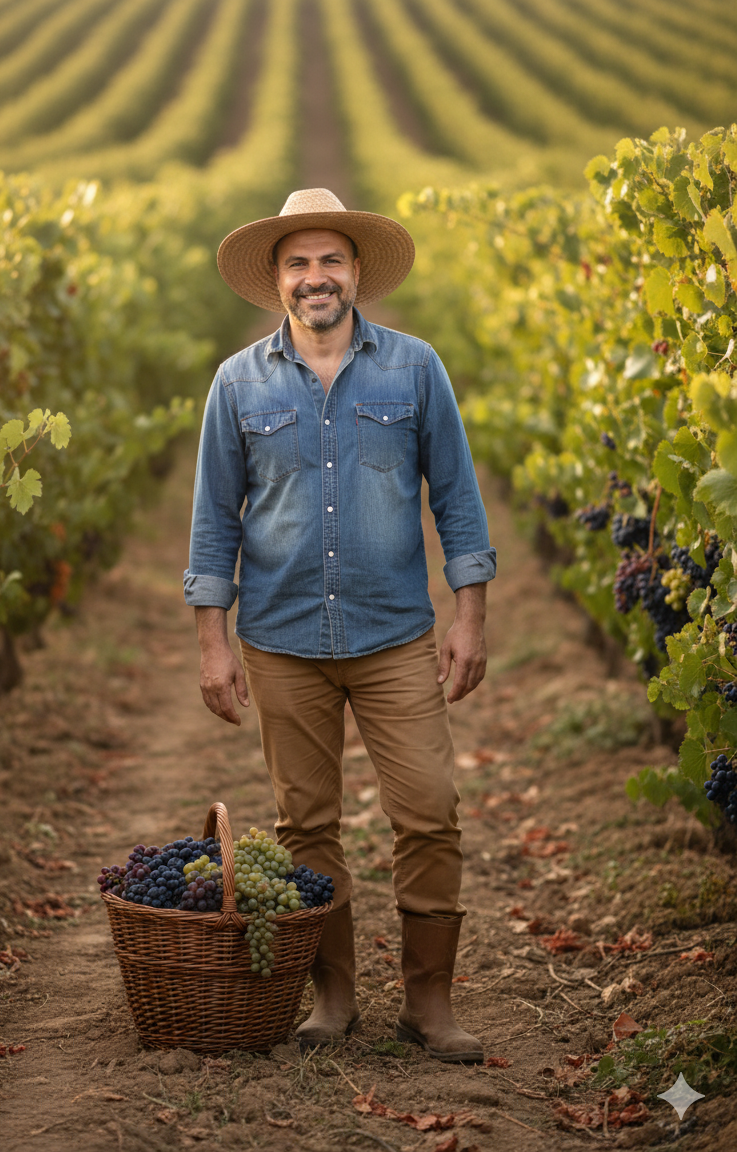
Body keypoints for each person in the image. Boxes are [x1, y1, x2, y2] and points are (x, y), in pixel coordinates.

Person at [184, 188, 496, 1061]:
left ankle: (429, 1006)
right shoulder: (236, 383)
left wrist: (469, 615)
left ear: (356, 272)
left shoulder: (415, 368)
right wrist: (213, 642)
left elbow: (459, 504)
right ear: (277, 281)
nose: (316, 277)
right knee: (306, 827)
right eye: (298, 263)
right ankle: (334, 1000)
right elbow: (214, 522)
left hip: (395, 632)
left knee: (430, 812)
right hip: (280, 638)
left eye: (330, 260)